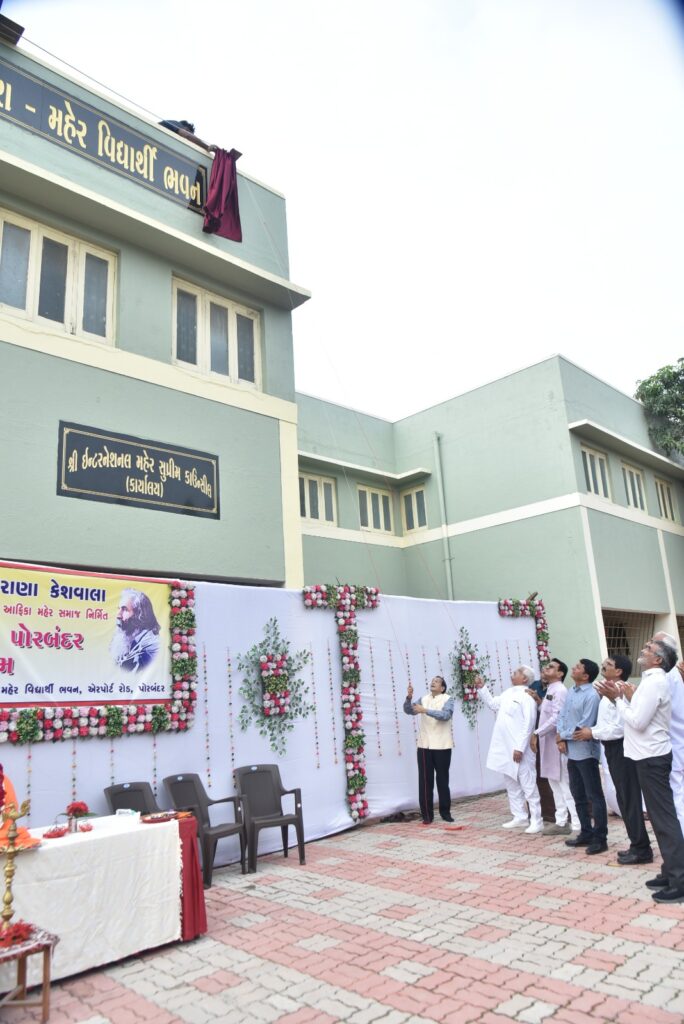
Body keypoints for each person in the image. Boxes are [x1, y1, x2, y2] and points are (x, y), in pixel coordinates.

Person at [606, 639, 684, 904]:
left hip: (652, 757)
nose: (643, 649)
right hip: (647, 755)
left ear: (658, 659)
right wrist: (626, 698)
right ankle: (669, 872)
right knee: (661, 819)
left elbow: (638, 722)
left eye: (649, 649)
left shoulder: (655, 682)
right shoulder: (650, 681)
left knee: (664, 820)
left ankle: (679, 880)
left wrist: (618, 700)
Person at [574, 655, 652, 864]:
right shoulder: (607, 690)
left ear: (618, 671)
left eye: (608, 665)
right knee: (623, 798)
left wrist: (593, 732)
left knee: (629, 798)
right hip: (611, 747)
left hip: (621, 747)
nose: (603, 666)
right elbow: (606, 723)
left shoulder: (620, 692)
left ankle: (642, 849)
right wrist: (594, 731)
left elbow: (620, 727)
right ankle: (637, 844)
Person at [474, 666, 541, 834]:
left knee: (528, 784)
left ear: (524, 678)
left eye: (516, 673)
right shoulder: (508, 693)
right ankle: (519, 816)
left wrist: (520, 747)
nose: (512, 674)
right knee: (511, 784)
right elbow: (493, 704)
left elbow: (529, 723)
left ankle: (537, 820)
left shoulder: (527, 695)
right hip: (505, 748)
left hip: (521, 749)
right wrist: (482, 688)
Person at [557, 658, 608, 854]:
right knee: (578, 794)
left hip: (586, 752)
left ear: (585, 676)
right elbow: (562, 715)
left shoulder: (592, 695)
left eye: (578, 667)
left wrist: (563, 735)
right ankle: (585, 833)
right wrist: (561, 735)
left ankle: (600, 838)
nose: (574, 668)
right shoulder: (571, 691)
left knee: (594, 796)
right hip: (572, 752)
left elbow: (584, 726)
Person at [530, 658, 580, 835]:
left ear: (560, 673)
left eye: (551, 667)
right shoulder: (551, 689)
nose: (546, 668)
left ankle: (576, 823)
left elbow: (557, 717)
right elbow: (547, 712)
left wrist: (537, 733)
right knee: (554, 782)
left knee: (564, 784)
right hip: (548, 742)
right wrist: (539, 702)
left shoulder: (560, 690)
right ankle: (561, 821)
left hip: (557, 742)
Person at [403, 676, 455, 824]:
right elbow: (409, 710)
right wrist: (409, 698)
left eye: (437, 681)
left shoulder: (448, 699)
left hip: (442, 746)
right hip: (424, 746)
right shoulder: (423, 698)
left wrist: (425, 710)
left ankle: (445, 812)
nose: (433, 682)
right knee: (425, 781)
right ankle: (427, 815)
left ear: (442, 688)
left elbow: (446, 715)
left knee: (442, 780)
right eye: (432, 680)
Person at [653, 631, 684, 833]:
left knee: (676, 792)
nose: (648, 646)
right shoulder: (671, 675)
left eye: (653, 644)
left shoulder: (666, 677)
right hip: (676, 741)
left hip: (674, 741)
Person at [110, 588, 161, 672]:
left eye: (125, 609)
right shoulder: (128, 640)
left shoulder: (150, 648)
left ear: (140, 615)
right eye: (119, 609)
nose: (118, 615)